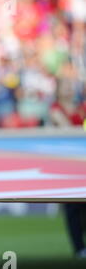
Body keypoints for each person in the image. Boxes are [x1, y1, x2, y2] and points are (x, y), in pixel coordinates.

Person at [50, 78, 86, 258]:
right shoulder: (56, 108)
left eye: (70, 86)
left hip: (82, 161)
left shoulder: (81, 107)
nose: (69, 89)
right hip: (65, 164)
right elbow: (67, 129)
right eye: (66, 86)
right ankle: (79, 247)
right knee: (72, 207)